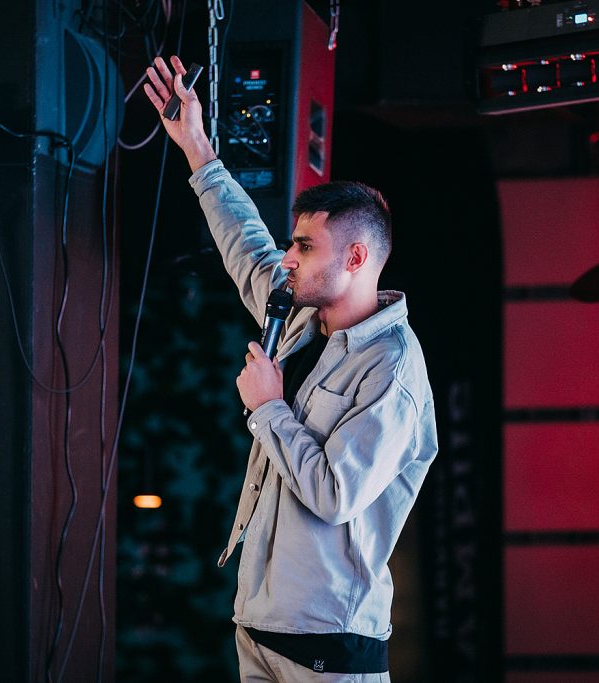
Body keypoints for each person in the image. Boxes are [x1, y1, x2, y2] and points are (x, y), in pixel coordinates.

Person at [144, 55, 439, 681]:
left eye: (305, 246)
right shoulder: (302, 320)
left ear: (356, 257)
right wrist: (197, 148)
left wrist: (270, 409)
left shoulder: (392, 370)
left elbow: (336, 494)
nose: (289, 258)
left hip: (329, 641)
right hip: (259, 626)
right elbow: (248, 247)